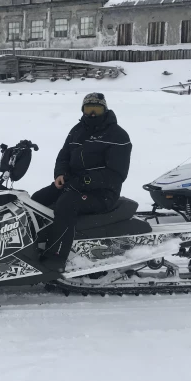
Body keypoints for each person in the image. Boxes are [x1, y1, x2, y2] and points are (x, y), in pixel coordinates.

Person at [32, 92, 132, 272]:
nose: (92, 113)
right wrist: (60, 173)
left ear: (105, 109)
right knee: (37, 198)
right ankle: (32, 245)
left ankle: (56, 256)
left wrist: (84, 180)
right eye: (88, 109)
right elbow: (64, 155)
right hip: (73, 183)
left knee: (66, 204)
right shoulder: (77, 130)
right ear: (83, 110)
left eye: (97, 109)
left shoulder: (117, 135)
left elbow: (116, 174)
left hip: (103, 193)